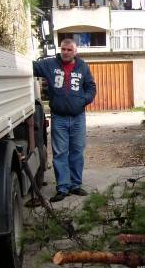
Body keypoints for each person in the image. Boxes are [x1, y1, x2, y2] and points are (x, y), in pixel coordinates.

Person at [33, 39, 97, 202]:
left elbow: (91, 86)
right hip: (59, 117)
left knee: (77, 152)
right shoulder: (50, 64)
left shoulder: (82, 66)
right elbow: (31, 67)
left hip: (78, 117)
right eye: (63, 49)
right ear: (60, 50)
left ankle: (75, 185)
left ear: (75, 52)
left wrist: (84, 100)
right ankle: (62, 188)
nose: (66, 52)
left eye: (69, 50)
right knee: (60, 153)